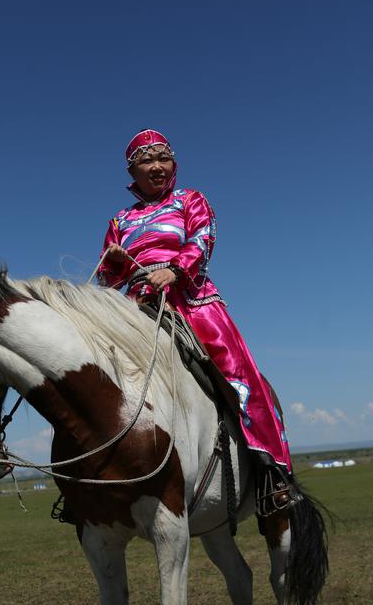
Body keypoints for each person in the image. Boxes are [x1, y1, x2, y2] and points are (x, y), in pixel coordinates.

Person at [97, 128, 299, 518]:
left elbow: (203, 238)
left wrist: (174, 269)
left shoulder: (190, 200)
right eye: (146, 161)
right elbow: (107, 276)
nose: (156, 167)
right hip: (135, 306)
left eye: (163, 159)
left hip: (191, 300)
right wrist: (117, 262)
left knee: (239, 377)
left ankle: (273, 473)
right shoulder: (120, 219)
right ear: (131, 170)